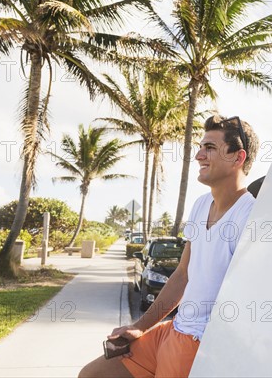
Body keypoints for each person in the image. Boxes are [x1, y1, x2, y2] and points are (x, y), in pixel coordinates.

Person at [79, 115, 259, 378]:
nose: (198, 155)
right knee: (92, 374)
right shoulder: (200, 205)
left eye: (209, 148)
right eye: (200, 147)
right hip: (172, 329)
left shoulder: (250, 216)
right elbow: (182, 275)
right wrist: (140, 327)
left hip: (198, 342)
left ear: (237, 157)